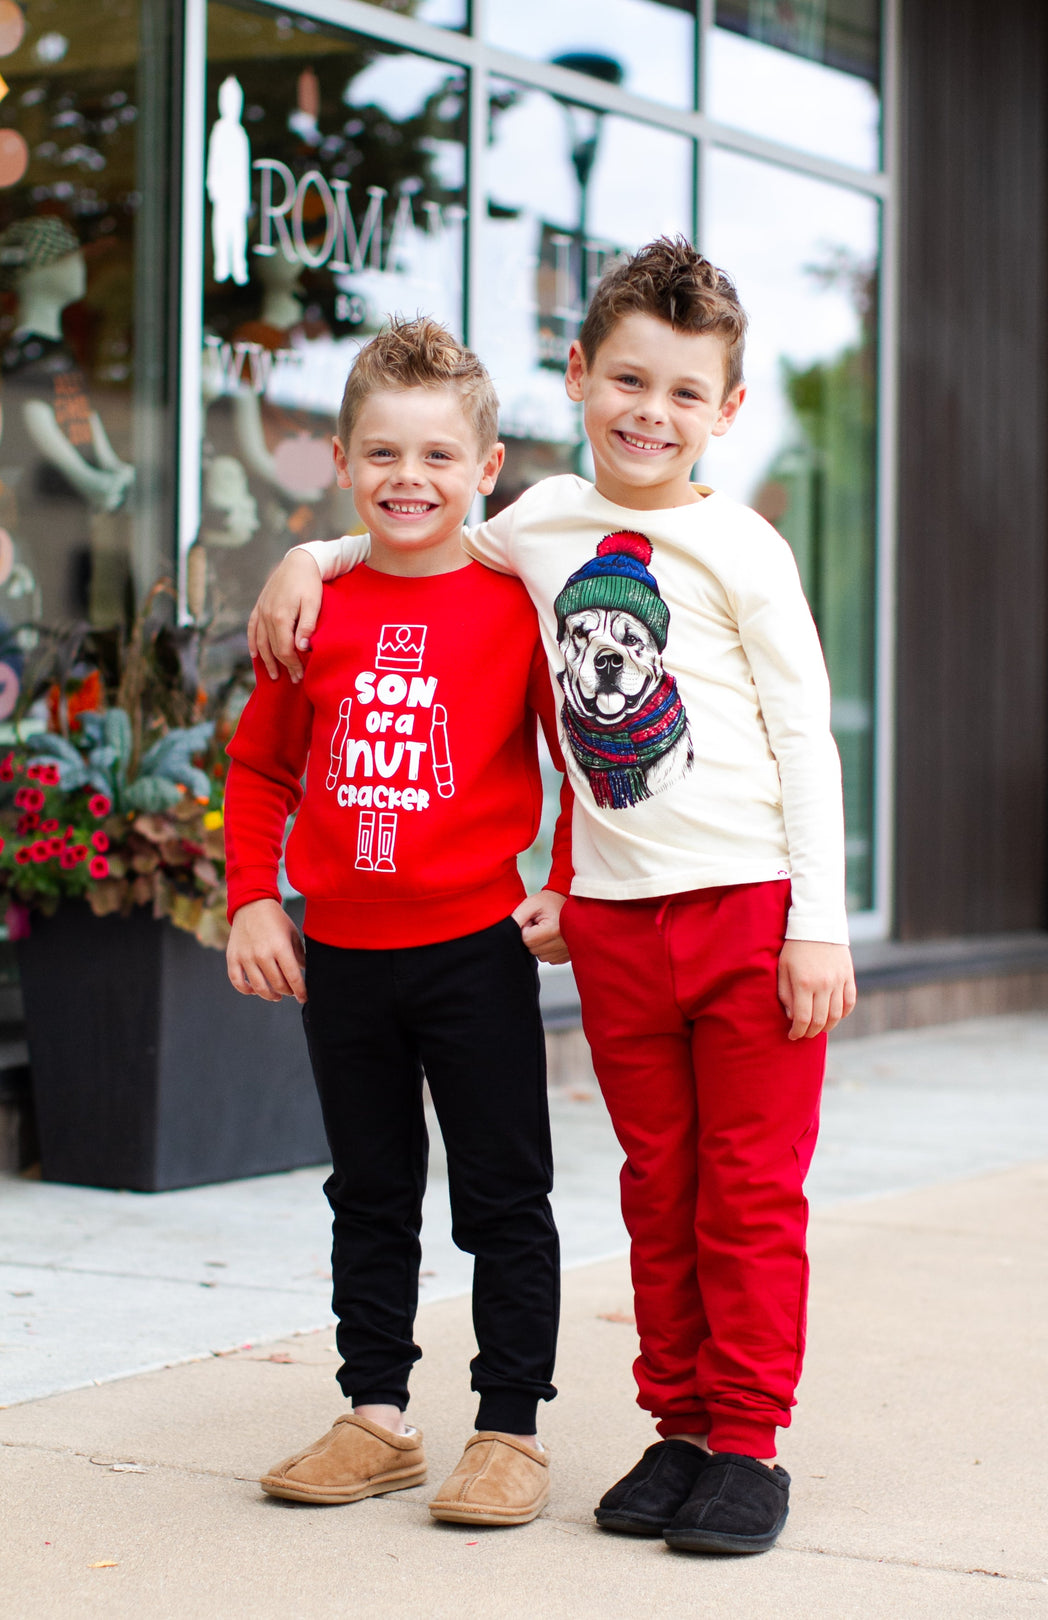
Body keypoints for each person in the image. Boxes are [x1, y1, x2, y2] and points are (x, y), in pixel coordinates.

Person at [247, 238, 858, 1556]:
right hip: (619, 928)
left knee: (745, 1191)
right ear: (577, 378)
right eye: (628, 379)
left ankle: (748, 1441)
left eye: (687, 393)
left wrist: (819, 924)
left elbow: (807, 743)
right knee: (657, 1186)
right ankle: (678, 1425)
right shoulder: (541, 524)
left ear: (728, 412)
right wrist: (314, 559)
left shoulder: (741, 549)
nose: (653, 412)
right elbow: (422, 531)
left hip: (748, 907)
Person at [224, 316, 573, 1528]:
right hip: (346, 957)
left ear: (485, 471)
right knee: (368, 1191)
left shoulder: (516, 603)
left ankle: (510, 1429)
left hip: (475, 951)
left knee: (502, 1196)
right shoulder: (313, 604)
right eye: (382, 455)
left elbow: (582, 757)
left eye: (436, 457)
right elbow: (262, 769)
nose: (407, 479)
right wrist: (254, 896)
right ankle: (374, 1416)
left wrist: (568, 878)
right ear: (340, 460)